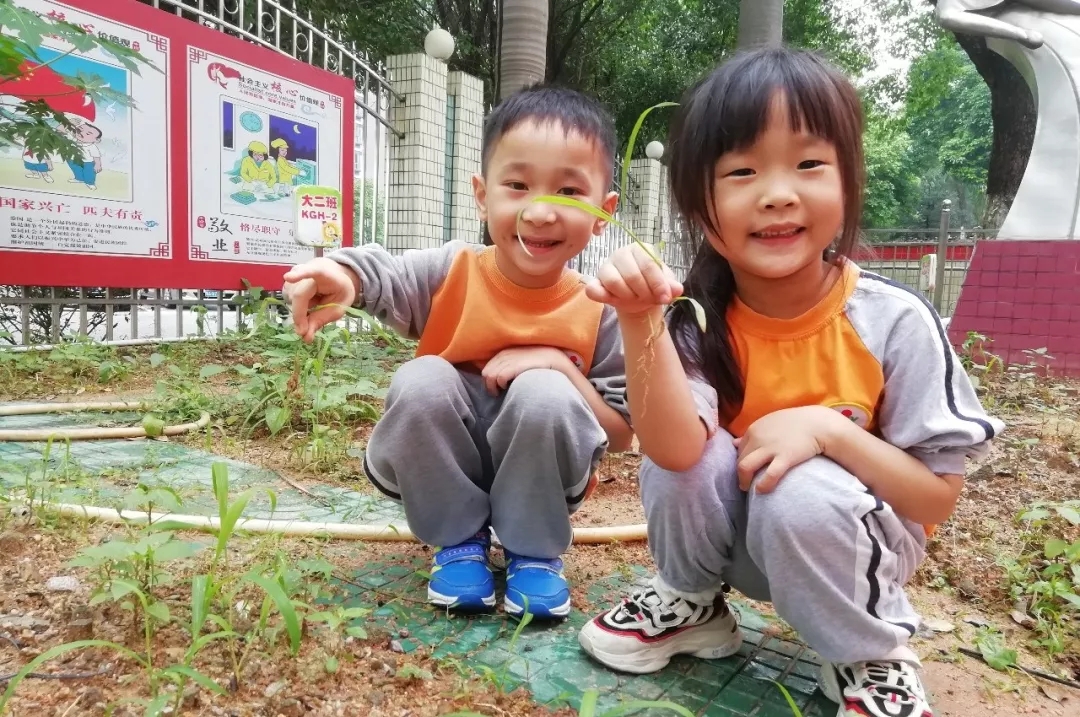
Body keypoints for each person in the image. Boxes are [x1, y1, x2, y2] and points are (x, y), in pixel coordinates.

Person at [577, 47, 1005, 717]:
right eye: (742, 171)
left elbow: (935, 498)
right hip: (739, 540)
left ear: (848, 180)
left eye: (808, 164)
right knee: (692, 456)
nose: (777, 193)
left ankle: (869, 651)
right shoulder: (696, 318)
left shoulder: (893, 321)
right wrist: (639, 319)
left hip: (849, 546)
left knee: (800, 487)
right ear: (700, 204)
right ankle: (693, 602)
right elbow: (674, 454)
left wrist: (832, 432)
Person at [281, 85, 633, 620]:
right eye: (517, 185)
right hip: (443, 468)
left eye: (568, 191)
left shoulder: (601, 307)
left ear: (603, 212)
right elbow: (386, 275)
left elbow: (622, 432)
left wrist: (559, 366)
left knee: (545, 391)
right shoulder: (455, 269)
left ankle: (533, 552)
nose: (540, 212)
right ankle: (460, 541)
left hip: (543, 479)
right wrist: (344, 275)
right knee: (422, 377)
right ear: (482, 194)